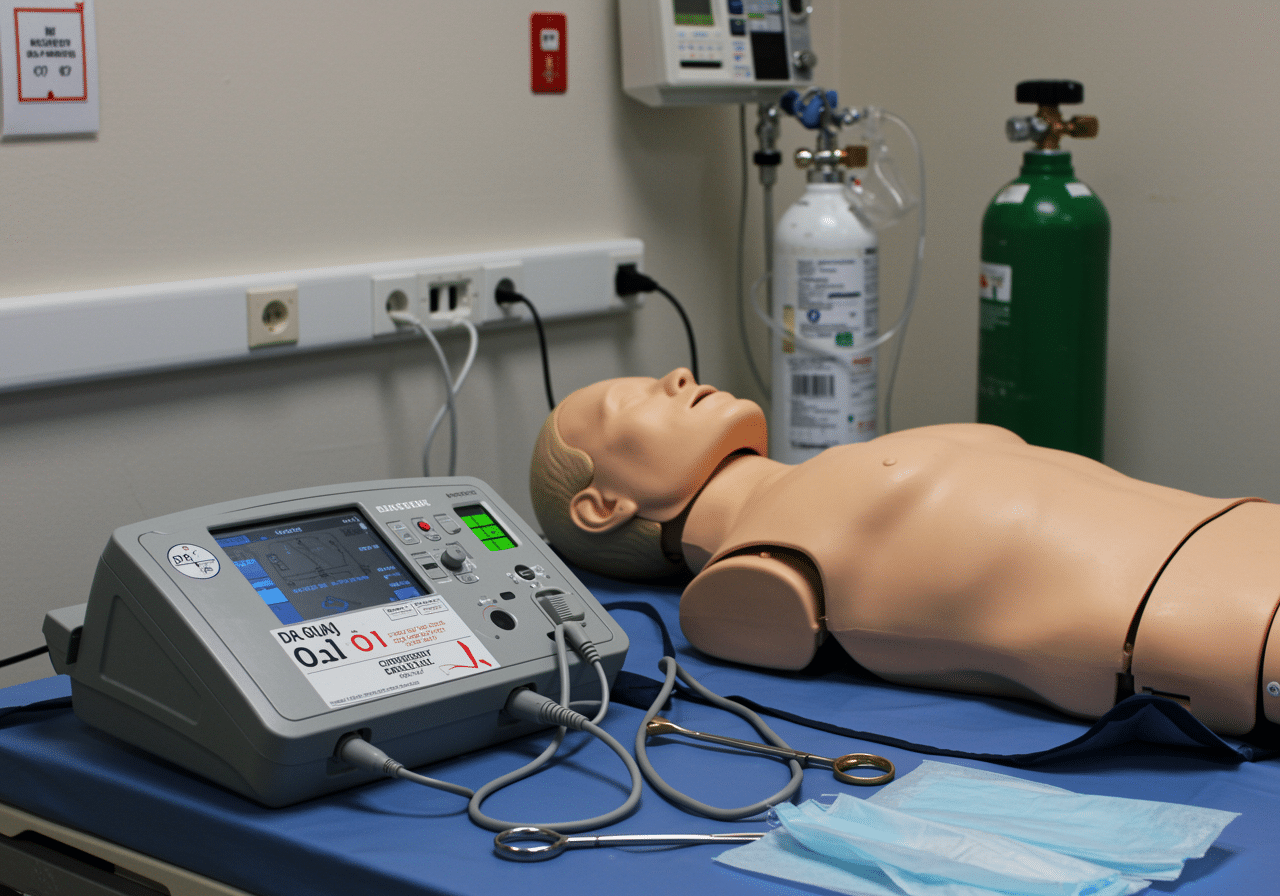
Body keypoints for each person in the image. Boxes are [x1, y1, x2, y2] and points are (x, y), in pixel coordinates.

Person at [530, 368, 1280, 737]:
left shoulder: (831, 470)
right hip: (1223, 628)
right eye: (631, 403)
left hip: (1242, 527)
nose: (679, 377)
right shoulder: (747, 574)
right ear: (602, 507)